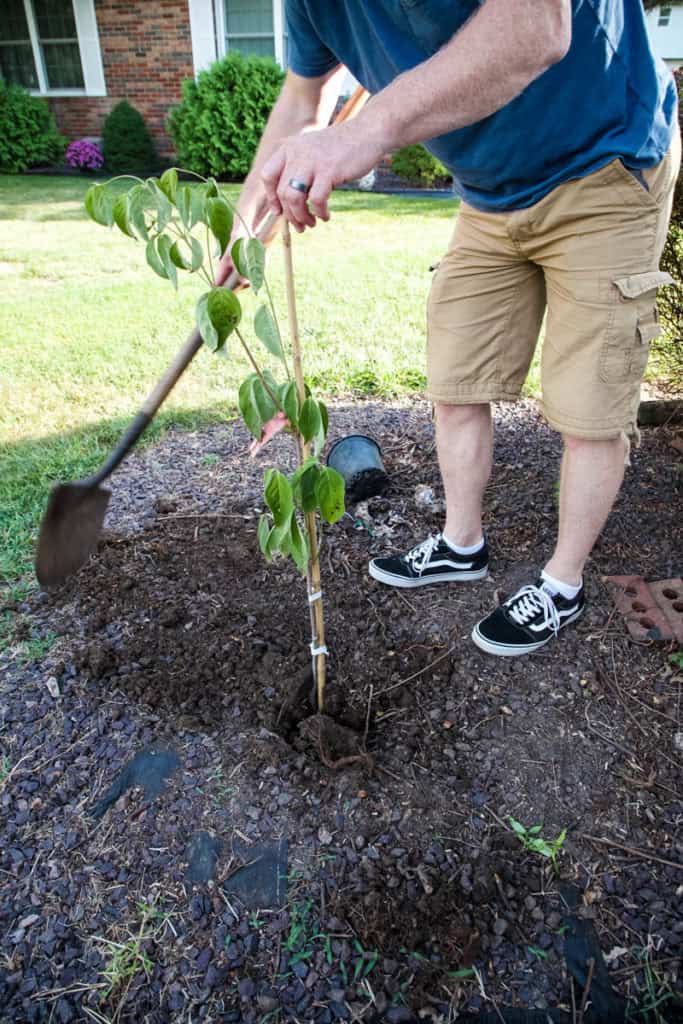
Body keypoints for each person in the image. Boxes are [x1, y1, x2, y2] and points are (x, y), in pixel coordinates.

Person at [217, 0, 679, 658]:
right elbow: (301, 99)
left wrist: (366, 132)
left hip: (606, 162)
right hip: (488, 194)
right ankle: (462, 544)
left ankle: (560, 582)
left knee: (589, 407)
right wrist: (246, 224)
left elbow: (534, 28)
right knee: (455, 379)